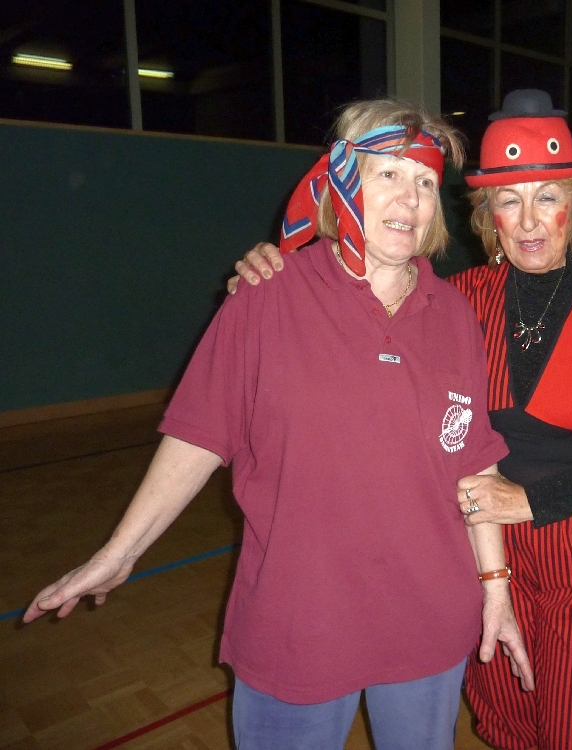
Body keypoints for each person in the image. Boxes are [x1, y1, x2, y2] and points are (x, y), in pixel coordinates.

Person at [23, 98, 533, 750]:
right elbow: (199, 434)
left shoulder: (454, 313)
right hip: (299, 624)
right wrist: (117, 553)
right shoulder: (269, 294)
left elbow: (474, 463)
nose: (410, 199)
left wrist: (496, 592)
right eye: (388, 174)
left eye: (426, 183)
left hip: (429, 623)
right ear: (341, 180)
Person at [233, 89, 572, 750]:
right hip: (475, 542)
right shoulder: (456, 302)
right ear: (488, 216)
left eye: (548, 197)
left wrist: (531, 501)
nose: (529, 221)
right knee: (502, 708)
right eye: (509, 201)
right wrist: (269, 270)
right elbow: (356, 286)